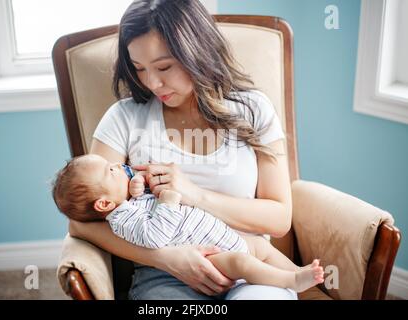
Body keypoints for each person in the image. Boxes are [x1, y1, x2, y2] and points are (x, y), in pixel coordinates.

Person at [68, 0, 299, 299]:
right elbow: (81, 222)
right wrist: (166, 259)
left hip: (250, 267)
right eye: (139, 68)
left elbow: (279, 218)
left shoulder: (253, 109)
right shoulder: (124, 118)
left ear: (198, 52)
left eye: (164, 66)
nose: (152, 82)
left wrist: (196, 195)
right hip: (165, 277)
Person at [53, 154, 324, 293]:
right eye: (109, 171)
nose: (117, 166)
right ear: (103, 205)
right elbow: (154, 235)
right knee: (244, 264)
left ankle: (303, 279)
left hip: (224, 236)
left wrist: (137, 186)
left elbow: (141, 203)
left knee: (259, 248)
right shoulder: (121, 219)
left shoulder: (128, 202)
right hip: (210, 257)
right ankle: (290, 280)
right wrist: (168, 200)